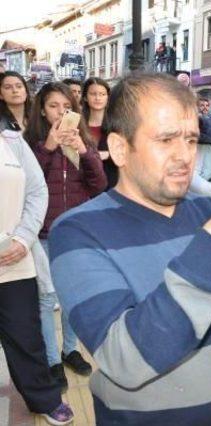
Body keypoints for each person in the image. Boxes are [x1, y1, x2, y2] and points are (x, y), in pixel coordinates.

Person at [48, 72, 211, 425]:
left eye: (192, 139)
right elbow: (125, 360)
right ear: (120, 148)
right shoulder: (77, 232)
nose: (185, 156)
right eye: (166, 139)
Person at [24, 82, 105, 388]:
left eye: (66, 106)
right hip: (44, 231)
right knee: (47, 298)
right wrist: (48, 147)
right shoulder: (31, 142)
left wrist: (85, 152)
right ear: (42, 111)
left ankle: (70, 349)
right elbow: (30, 186)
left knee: (73, 296)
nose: (61, 112)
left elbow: (98, 185)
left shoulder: (82, 139)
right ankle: (52, 361)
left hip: (76, 232)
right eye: (54, 106)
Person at [0, 128, 74, 425]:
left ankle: (44, 397)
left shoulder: (12, 142)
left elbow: (37, 191)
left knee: (25, 334)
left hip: (13, 257)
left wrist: (23, 237)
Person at [82, 77, 116, 189]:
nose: (98, 98)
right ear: (85, 97)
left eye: (102, 94)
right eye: (93, 94)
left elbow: (130, 151)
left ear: (108, 97)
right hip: (83, 184)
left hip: (111, 182)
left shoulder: (117, 125)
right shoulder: (78, 124)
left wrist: (109, 154)